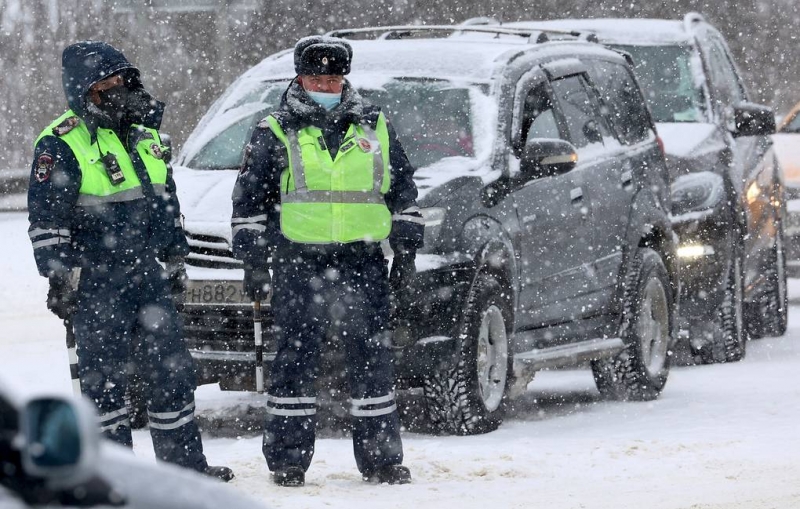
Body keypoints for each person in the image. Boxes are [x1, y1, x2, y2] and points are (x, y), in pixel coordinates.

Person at [27, 41, 232, 481]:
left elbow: (165, 203)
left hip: (147, 278)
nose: (117, 89)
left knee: (173, 377)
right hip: (96, 284)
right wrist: (59, 277)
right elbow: (47, 220)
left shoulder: (145, 137)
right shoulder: (61, 143)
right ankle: (114, 478)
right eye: (106, 83)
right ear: (85, 89)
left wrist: (176, 256)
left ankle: (185, 471)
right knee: (105, 390)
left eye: (121, 80)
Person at [231, 36, 424, 487]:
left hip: (362, 261)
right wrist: (255, 262)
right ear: (299, 78)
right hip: (300, 263)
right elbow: (248, 203)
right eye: (317, 78)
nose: (325, 85)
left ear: (345, 80)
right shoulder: (274, 129)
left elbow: (403, 193)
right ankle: (288, 460)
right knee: (295, 361)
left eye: (334, 78)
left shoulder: (375, 126)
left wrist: (407, 251)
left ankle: (381, 460)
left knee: (372, 359)